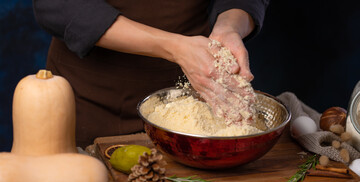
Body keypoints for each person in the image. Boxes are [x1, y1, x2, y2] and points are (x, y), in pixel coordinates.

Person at [32, 0, 270, 148]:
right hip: (91, 105)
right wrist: (175, 48)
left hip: (194, 110)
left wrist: (229, 27)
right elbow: (57, 4)